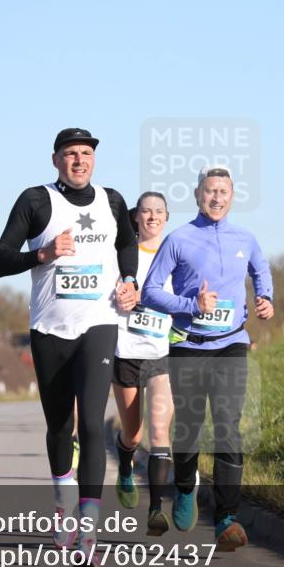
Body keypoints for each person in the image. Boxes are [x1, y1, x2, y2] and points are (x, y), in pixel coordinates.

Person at [0, 128, 138, 567]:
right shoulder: (35, 201)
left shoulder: (112, 201)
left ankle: (89, 530)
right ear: (56, 160)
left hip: (100, 323)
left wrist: (130, 282)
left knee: (93, 422)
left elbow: (127, 243)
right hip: (50, 330)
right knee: (61, 425)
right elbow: (0, 260)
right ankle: (62, 503)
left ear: (94, 159)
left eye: (87, 154)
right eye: (71, 154)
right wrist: (42, 255)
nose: (79, 161)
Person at [142, 164, 274, 551]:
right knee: (189, 425)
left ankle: (227, 519)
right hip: (187, 344)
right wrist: (190, 305)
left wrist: (265, 298)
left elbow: (261, 270)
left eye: (224, 192)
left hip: (232, 343)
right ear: (198, 194)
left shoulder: (245, 238)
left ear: (232, 196)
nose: (217, 198)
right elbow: (150, 291)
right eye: (210, 191)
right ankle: (185, 487)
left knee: (229, 426)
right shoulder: (179, 239)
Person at [112, 192, 175, 536]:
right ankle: (125, 467)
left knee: (160, 430)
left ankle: (155, 510)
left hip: (160, 353)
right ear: (136, 217)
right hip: (126, 351)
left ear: (167, 217)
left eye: (159, 212)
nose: (152, 217)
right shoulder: (121, 254)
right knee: (133, 434)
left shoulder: (175, 254)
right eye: (146, 212)